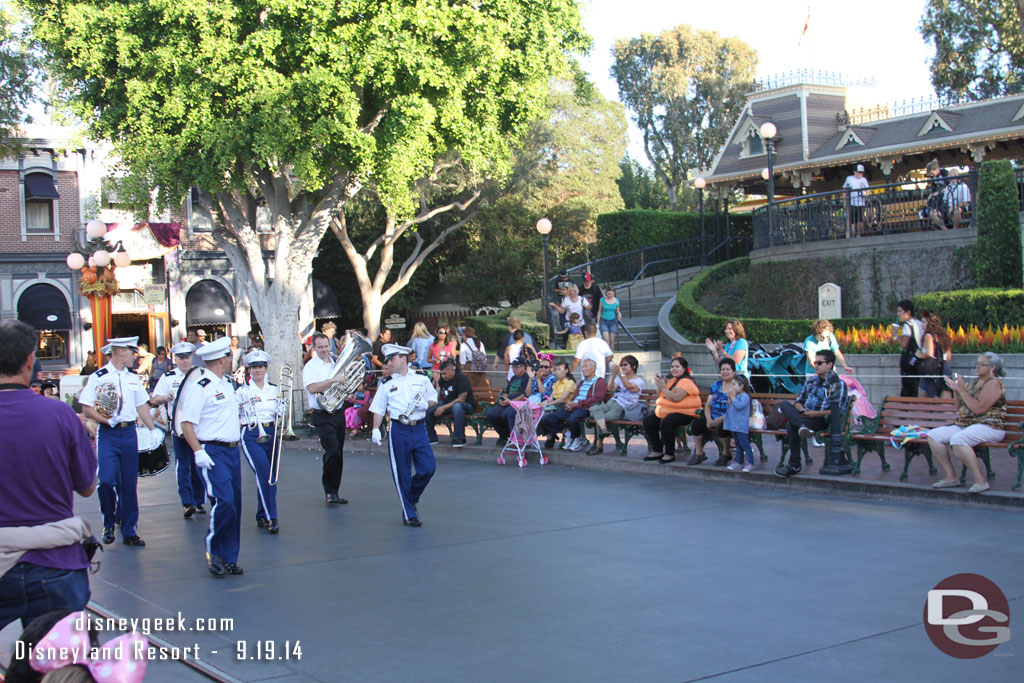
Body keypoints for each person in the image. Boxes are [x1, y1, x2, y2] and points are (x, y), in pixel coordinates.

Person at [0, 320, 97, 631]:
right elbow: (86, 487)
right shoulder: (59, 414)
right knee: (61, 673)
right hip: (55, 564)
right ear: (31, 360)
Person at [177, 336, 244, 577]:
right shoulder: (201, 387)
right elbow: (186, 424)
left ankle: (229, 557)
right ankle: (213, 549)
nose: (230, 360)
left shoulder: (226, 384)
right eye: (228, 357)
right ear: (222, 360)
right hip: (212, 451)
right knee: (223, 500)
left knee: (234, 505)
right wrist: (198, 451)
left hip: (231, 450)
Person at [79, 336, 154, 547]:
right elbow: (86, 406)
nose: (135, 357)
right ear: (121, 351)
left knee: (129, 484)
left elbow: (142, 406)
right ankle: (109, 521)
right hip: (109, 433)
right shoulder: (99, 376)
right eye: (132, 352)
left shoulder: (132, 378)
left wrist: (152, 429)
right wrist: (105, 419)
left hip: (129, 433)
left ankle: (130, 529)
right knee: (107, 481)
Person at [369, 344, 438, 527]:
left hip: (419, 428)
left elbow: (433, 398)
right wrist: (376, 428)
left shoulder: (421, 378)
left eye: (392, 359)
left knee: (428, 468)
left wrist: (425, 404)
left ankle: (411, 497)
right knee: (402, 473)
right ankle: (409, 513)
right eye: (388, 360)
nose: (389, 363)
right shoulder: (387, 383)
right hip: (399, 430)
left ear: (403, 358)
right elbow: (378, 409)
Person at [927, 352, 1006, 494]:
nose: (978, 367)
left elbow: (979, 409)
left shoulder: (993, 383)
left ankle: (980, 481)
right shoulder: (975, 382)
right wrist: (957, 391)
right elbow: (961, 408)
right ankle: (951, 477)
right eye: (977, 364)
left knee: (958, 439)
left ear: (992, 368)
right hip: (967, 424)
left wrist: (962, 390)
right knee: (933, 436)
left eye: (982, 364)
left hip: (990, 426)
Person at [150, 341, 206, 518]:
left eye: (187, 357)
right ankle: (187, 502)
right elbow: (154, 399)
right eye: (181, 358)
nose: (185, 361)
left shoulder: (200, 374)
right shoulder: (168, 377)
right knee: (183, 464)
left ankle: (199, 500)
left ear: (192, 357)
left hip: (198, 425)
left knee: (198, 462)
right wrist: (166, 397)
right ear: (176, 359)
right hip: (179, 425)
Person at [775, 349, 848, 479]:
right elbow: (798, 402)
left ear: (829, 365)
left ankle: (794, 465)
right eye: (815, 362)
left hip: (821, 420)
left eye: (820, 363)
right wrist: (802, 410)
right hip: (804, 416)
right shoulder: (811, 381)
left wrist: (815, 414)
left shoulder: (838, 384)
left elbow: (838, 411)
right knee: (784, 404)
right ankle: (802, 426)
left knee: (791, 425)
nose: (816, 365)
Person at [237, 350, 282, 534]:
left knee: (271, 476)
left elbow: (278, 413)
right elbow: (235, 416)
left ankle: (262, 515)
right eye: (254, 367)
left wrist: (282, 409)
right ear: (249, 369)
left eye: (261, 367)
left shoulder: (274, 389)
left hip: (271, 432)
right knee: (264, 475)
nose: (257, 370)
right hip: (252, 433)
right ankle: (272, 516)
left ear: (266, 368)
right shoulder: (242, 391)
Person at [303, 333, 349, 505]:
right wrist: (332, 380)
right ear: (314, 348)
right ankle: (329, 491)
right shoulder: (311, 367)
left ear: (330, 346)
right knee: (331, 449)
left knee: (338, 453)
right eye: (320, 347)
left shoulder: (337, 362)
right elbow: (312, 388)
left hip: (338, 412)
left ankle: (333, 491)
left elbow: (344, 383)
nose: (323, 350)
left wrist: (347, 388)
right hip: (321, 414)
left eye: (326, 346)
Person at [538, 358, 607, 452]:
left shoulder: (599, 381)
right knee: (547, 418)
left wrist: (577, 404)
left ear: (593, 368)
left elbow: (597, 399)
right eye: (582, 367)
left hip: (586, 407)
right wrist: (571, 404)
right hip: (574, 405)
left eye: (585, 366)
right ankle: (568, 433)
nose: (583, 369)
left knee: (573, 419)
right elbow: (575, 396)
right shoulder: (582, 382)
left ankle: (577, 438)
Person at [642, 356, 701, 463]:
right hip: (670, 411)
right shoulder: (673, 380)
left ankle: (669, 453)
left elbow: (675, 398)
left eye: (677, 366)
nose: (674, 369)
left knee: (667, 421)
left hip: (687, 413)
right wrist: (660, 386)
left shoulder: (686, 381)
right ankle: (657, 450)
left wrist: (663, 387)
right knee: (649, 420)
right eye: (672, 366)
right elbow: (662, 396)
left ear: (684, 368)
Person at [587, 355, 645, 454]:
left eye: (625, 365)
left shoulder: (639, 381)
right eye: (621, 365)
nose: (623, 367)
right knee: (594, 409)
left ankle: (599, 445)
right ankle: (604, 430)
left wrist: (620, 375)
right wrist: (614, 376)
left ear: (634, 366)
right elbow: (610, 388)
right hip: (611, 402)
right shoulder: (619, 378)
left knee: (601, 418)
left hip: (622, 407)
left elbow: (629, 386)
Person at [688, 358, 737, 466]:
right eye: (722, 369)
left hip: (730, 417)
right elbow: (708, 405)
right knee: (696, 424)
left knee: (723, 426)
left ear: (733, 371)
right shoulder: (716, 385)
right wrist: (708, 419)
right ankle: (699, 453)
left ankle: (725, 453)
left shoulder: (737, 386)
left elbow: (736, 407)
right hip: (714, 415)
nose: (725, 372)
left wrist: (720, 419)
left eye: (728, 369)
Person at [426, 358, 474, 447]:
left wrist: (443, 407)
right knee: (430, 408)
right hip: (448, 405)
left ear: (453, 369)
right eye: (441, 374)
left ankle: (459, 438)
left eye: (445, 373)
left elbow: (461, 399)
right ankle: (431, 437)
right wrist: (437, 384)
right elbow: (437, 398)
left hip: (466, 406)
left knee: (457, 406)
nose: (443, 376)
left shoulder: (461, 378)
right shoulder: (442, 380)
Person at [486, 357, 532, 443]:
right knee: (491, 414)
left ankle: (515, 439)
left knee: (506, 414)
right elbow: (506, 392)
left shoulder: (527, 378)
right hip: (507, 402)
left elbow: (524, 395)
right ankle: (505, 435)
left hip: (518, 403)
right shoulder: (513, 378)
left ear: (523, 367)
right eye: (513, 367)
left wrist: (511, 402)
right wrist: (503, 399)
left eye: (517, 367)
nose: (514, 369)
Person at [917, 312, 954, 399]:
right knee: (946, 406)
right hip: (945, 370)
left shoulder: (928, 336)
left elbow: (929, 353)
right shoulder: (944, 337)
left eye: (924, 322)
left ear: (930, 324)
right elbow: (948, 357)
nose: (922, 325)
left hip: (931, 371)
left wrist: (919, 355)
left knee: (921, 404)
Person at [892, 299, 924, 397]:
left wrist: (895, 336)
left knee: (907, 392)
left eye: (900, 311)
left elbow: (904, 344)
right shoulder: (919, 323)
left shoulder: (907, 325)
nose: (898, 314)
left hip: (909, 364)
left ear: (908, 312)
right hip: (918, 361)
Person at [724, 375, 756, 472]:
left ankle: (750, 462)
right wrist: (730, 398)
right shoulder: (737, 396)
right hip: (734, 424)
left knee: (745, 444)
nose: (732, 387)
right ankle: (739, 461)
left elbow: (739, 406)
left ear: (741, 385)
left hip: (741, 425)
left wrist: (733, 397)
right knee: (737, 444)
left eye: (734, 384)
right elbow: (731, 407)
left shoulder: (745, 396)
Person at [842, 163, 870, 237]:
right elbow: (845, 190)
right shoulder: (849, 179)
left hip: (861, 203)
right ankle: (853, 234)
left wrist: (865, 194)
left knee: (860, 220)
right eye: (859, 172)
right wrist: (845, 202)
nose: (860, 174)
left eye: (861, 172)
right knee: (853, 221)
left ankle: (859, 234)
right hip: (852, 202)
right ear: (854, 172)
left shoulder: (864, 180)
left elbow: (868, 191)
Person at [924, 159, 950, 229]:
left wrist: (940, 191)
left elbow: (949, 185)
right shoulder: (934, 178)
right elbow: (933, 189)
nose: (932, 175)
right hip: (939, 196)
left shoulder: (944, 173)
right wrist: (931, 194)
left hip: (947, 194)